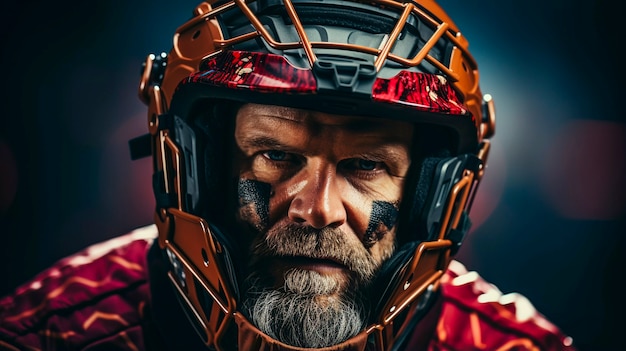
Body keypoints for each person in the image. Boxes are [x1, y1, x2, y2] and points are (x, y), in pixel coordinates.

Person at [0, 0, 577, 350]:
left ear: (430, 193)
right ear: (201, 166)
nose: (317, 208)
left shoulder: (511, 348)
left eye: (366, 165)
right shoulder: (51, 334)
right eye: (274, 156)